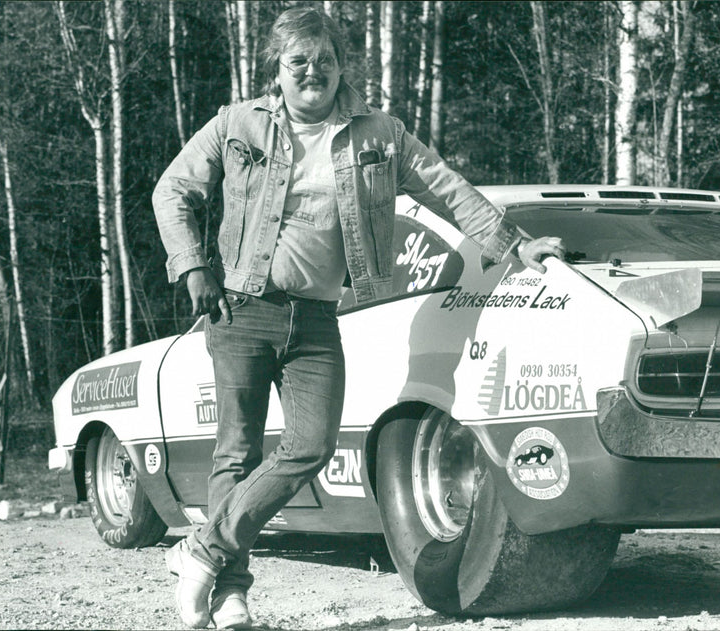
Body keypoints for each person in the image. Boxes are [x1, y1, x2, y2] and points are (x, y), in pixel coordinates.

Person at [153, 7, 565, 629]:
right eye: (299, 62)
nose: (312, 72)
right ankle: (230, 591)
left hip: (317, 319)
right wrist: (191, 267)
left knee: (311, 446)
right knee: (235, 452)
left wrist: (515, 245)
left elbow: (447, 189)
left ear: (342, 65)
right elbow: (172, 191)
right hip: (241, 309)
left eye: (324, 60)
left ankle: (202, 551)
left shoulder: (380, 136)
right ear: (278, 70)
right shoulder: (237, 124)